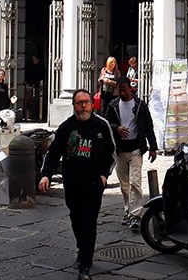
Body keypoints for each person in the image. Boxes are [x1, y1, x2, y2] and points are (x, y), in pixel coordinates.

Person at [38, 89, 116, 280]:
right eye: (79, 103)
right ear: (74, 106)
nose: (83, 106)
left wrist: (104, 175)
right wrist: (46, 175)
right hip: (72, 184)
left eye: (86, 102)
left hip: (93, 184)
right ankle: (82, 250)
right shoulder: (67, 127)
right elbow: (53, 153)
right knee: (76, 219)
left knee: (89, 222)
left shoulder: (101, 125)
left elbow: (112, 152)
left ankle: (85, 265)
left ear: (92, 104)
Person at [103, 76, 157, 230]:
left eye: (124, 90)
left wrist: (153, 147)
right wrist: (117, 128)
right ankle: (128, 210)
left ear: (130, 89)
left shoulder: (140, 105)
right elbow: (106, 123)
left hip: (136, 149)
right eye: (119, 90)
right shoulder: (113, 105)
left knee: (135, 181)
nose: (121, 92)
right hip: (120, 149)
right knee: (124, 184)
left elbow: (148, 126)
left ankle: (136, 214)